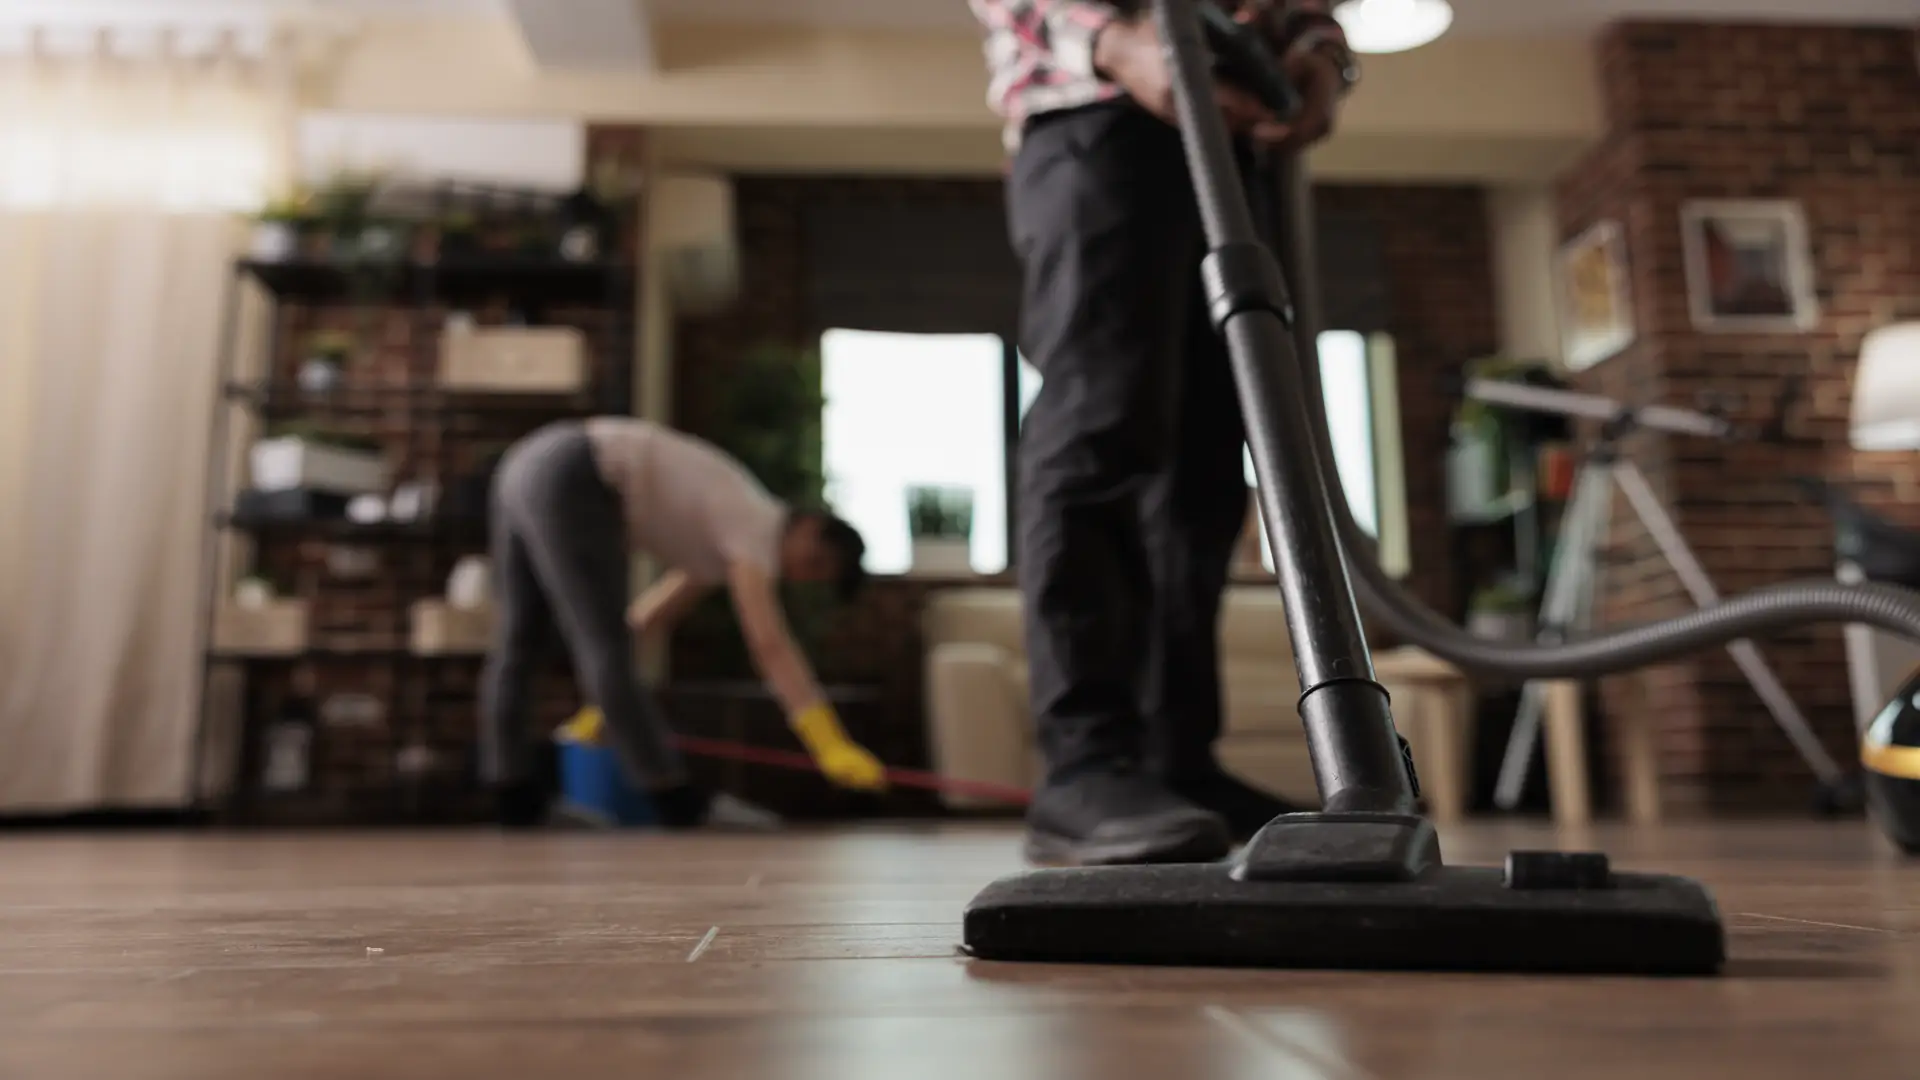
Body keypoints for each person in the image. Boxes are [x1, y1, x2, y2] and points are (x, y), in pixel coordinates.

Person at [968, 0, 1360, 865]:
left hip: (1237, 150)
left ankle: (1176, 760)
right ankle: (1084, 765)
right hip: (1094, 120)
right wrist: (1113, 43)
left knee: (1208, 470)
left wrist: (1324, 60)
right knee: (1100, 427)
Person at [479, 416, 887, 829]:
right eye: (815, 562)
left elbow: (647, 620)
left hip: (524, 464)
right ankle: (677, 802)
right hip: (578, 470)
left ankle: (514, 799)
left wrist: (604, 708)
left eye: (816, 579)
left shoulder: (723, 537)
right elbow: (769, 643)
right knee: (585, 644)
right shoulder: (758, 524)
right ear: (809, 527)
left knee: (519, 641)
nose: (802, 575)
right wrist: (828, 742)